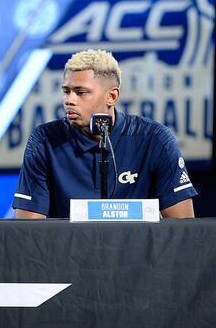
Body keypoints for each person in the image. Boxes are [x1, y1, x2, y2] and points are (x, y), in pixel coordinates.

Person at [12, 49, 196, 219]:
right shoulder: (44, 140)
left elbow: (182, 231)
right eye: (66, 91)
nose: (69, 100)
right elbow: (29, 234)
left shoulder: (155, 140)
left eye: (80, 92)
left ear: (112, 97)